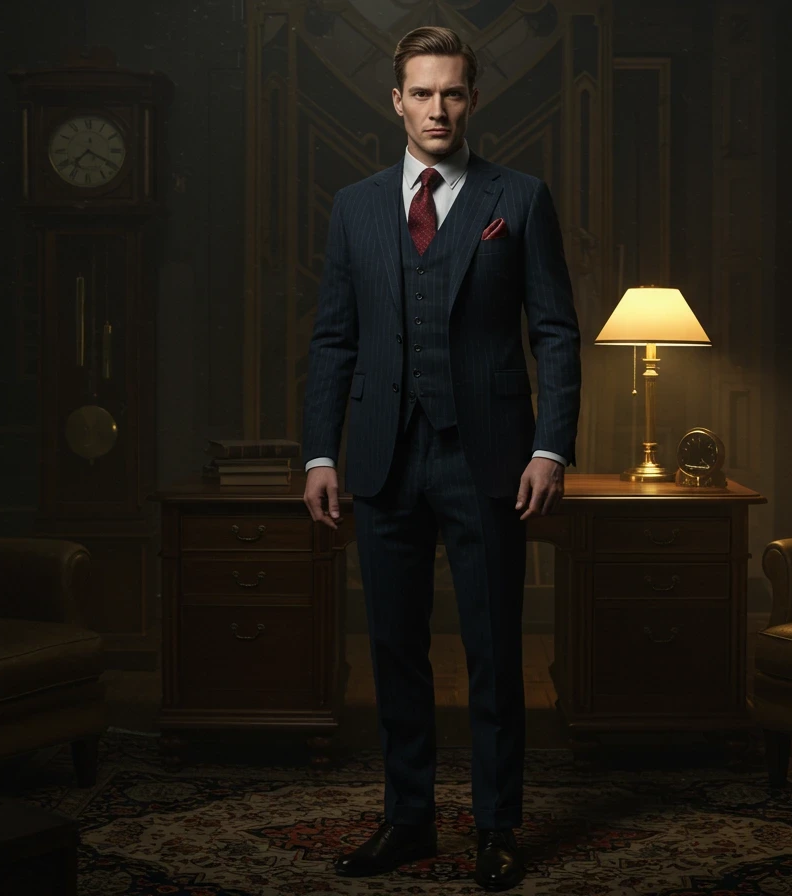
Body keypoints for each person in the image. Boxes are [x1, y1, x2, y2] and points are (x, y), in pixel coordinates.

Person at [300, 24, 581, 892]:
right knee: (394, 648)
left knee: (495, 651)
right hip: (383, 459)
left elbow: (556, 332)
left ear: (472, 99)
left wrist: (550, 447)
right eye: (421, 93)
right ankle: (408, 819)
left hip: (489, 458)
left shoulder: (519, 199)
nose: (437, 109)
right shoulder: (354, 206)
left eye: (452, 93)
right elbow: (334, 339)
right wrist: (319, 455)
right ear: (396, 101)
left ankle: (497, 827)